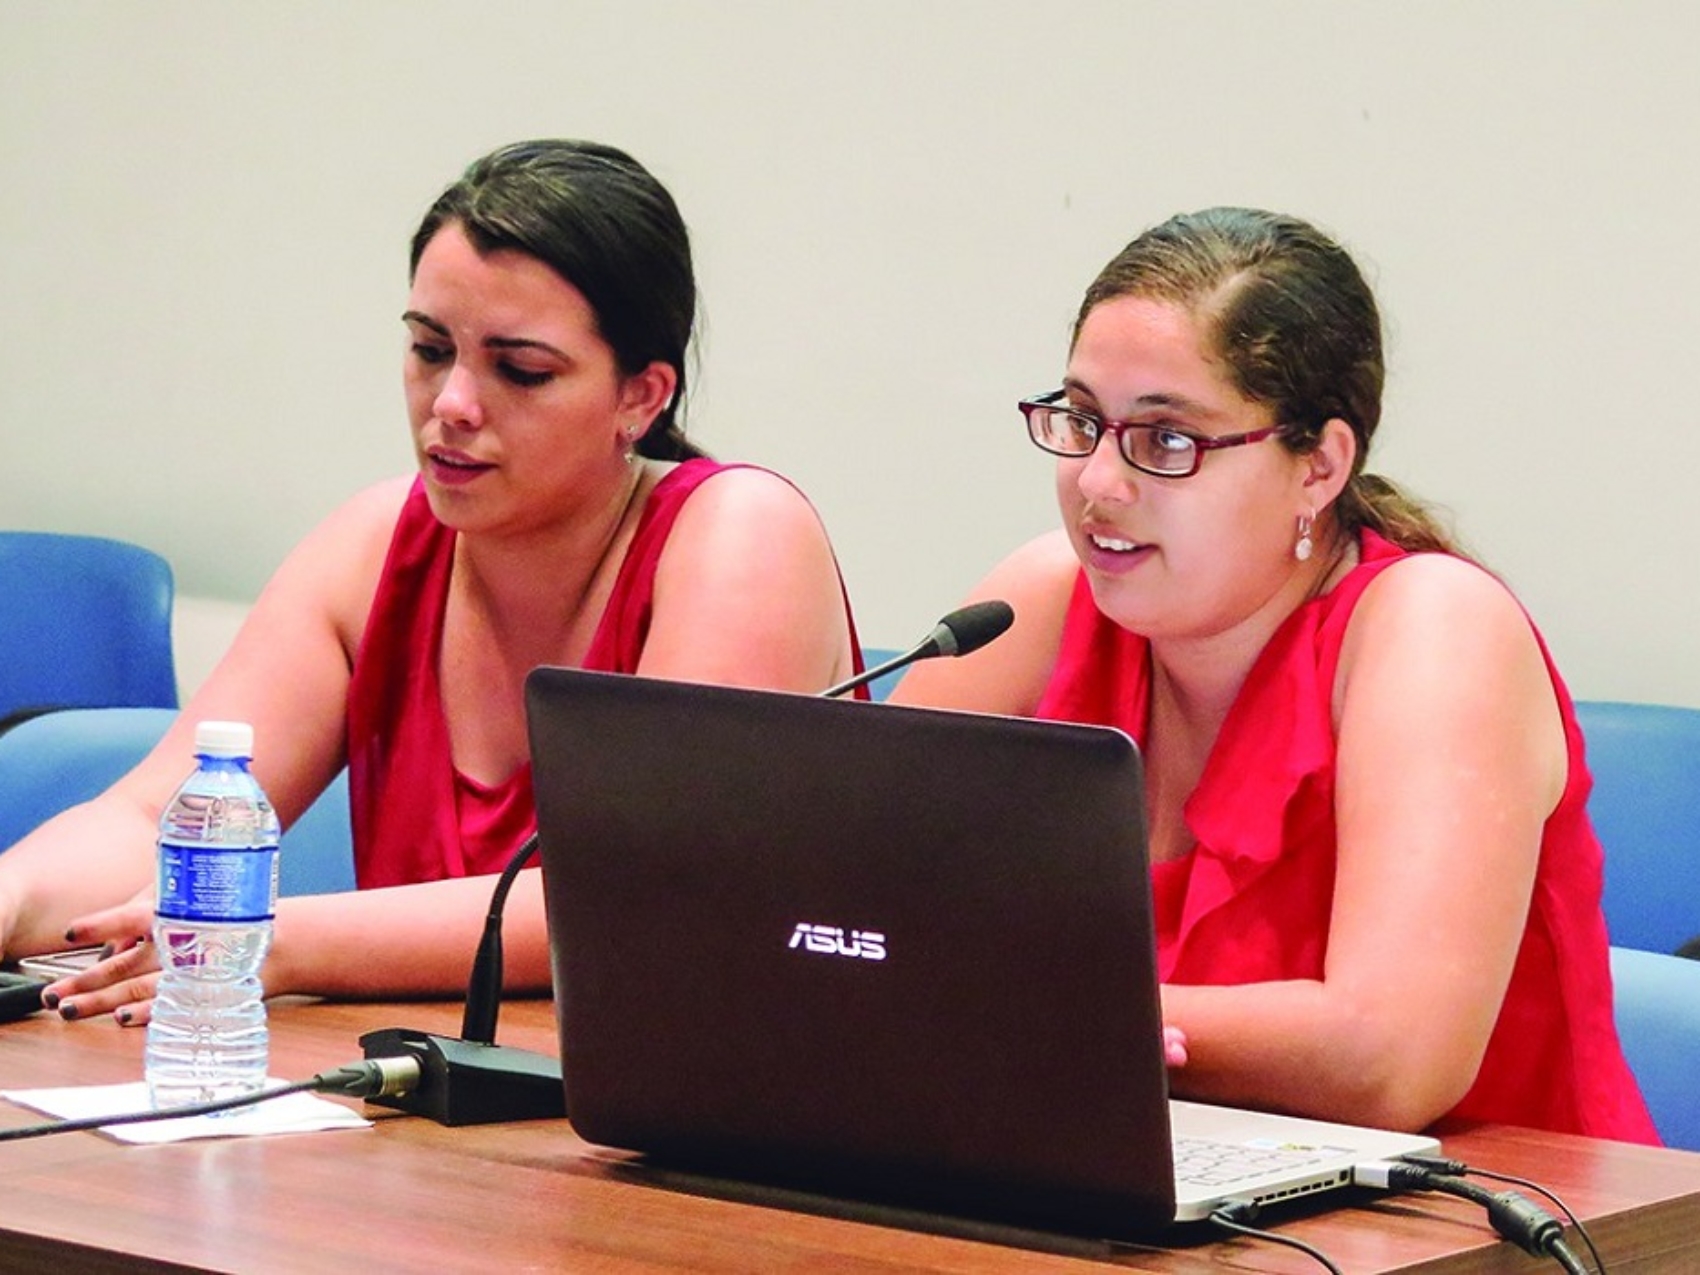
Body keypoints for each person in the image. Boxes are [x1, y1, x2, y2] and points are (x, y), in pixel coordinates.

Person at [0, 139, 861, 1022]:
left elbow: (640, 897)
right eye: (428, 348)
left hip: (696, 1113)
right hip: (414, 1105)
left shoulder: (739, 533)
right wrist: (15, 893)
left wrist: (272, 938)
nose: (451, 402)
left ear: (641, 397)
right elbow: (155, 820)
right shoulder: (375, 544)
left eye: (519, 369)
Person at [892, 207, 1658, 1142]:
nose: (1097, 481)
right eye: (1084, 420)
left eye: (1167, 440)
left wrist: (1014, 1006)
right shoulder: (1043, 603)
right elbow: (837, 905)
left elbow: (1388, 1059)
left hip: (1478, 1225)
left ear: (1319, 466)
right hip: (1131, 1179)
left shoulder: (1432, 628)